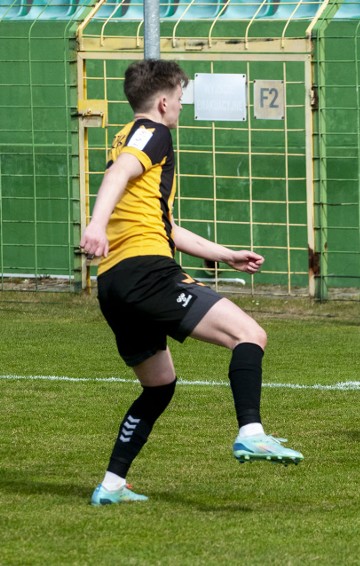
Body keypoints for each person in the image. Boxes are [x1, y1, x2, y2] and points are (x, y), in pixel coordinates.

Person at [79, 59, 303, 506]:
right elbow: (117, 173)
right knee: (250, 334)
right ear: (163, 102)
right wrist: (96, 225)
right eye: (180, 100)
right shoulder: (152, 133)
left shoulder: (128, 137)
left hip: (114, 285)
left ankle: (112, 484)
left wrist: (227, 255)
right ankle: (251, 432)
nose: (180, 108)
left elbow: (166, 227)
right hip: (146, 273)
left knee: (159, 385)